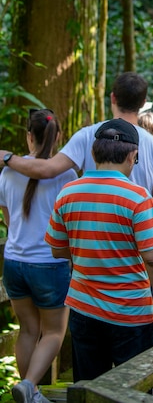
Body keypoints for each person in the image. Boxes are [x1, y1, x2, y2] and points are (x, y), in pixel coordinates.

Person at [44, 119, 153, 382]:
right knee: (133, 389)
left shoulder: (68, 192)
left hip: (83, 309)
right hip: (130, 313)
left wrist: (91, 253)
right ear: (132, 156)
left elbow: (57, 250)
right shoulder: (138, 198)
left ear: (94, 154)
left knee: (89, 385)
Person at [0, 73, 153, 273]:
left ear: (112, 98)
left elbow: (47, 169)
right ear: (143, 102)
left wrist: (8, 158)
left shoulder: (87, 135)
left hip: (92, 250)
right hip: (138, 247)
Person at [0, 109, 78, 403]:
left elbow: (8, 219)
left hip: (14, 262)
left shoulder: (8, 171)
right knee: (55, 332)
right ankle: (31, 385)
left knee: (28, 330)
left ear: (28, 136)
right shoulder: (66, 174)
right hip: (49, 263)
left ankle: (28, 391)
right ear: (58, 137)